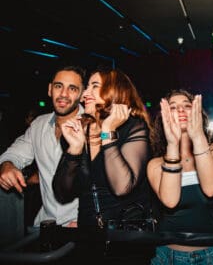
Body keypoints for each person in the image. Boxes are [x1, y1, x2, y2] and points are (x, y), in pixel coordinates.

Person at [52, 68, 153, 229]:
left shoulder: (133, 127)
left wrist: (107, 133)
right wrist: (75, 149)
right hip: (88, 233)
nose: (85, 93)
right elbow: (62, 193)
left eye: (94, 86)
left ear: (115, 91)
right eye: (87, 87)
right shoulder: (78, 131)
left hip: (127, 235)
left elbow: (122, 187)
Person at [147, 89, 213, 264]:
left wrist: (198, 135)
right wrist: (172, 144)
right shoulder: (155, 164)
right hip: (168, 256)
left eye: (187, 106)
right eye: (173, 107)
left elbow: (210, 189)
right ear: (164, 117)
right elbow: (170, 201)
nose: (180, 110)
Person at [0, 65, 85, 230]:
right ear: (49, 89)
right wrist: (7, 165)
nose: (64, 94)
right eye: (58, 86)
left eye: (72, 88)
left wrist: (89, 221)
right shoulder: (38, 125)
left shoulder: (94, 127)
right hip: (45, 225)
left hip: (81, 225)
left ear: (81, 94)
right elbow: (12, 155)